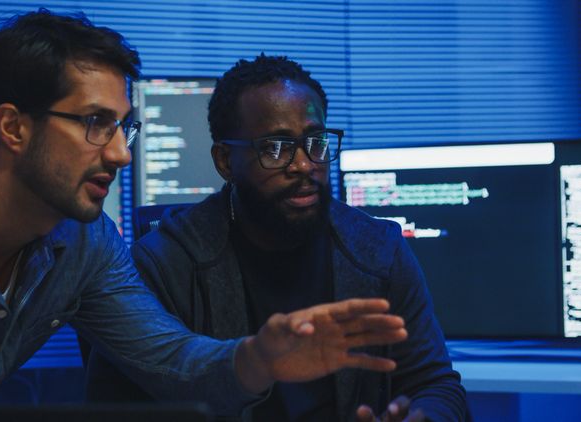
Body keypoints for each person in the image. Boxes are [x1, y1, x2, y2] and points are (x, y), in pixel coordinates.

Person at [0, 11, 410, 414]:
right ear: (13, 127)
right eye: (95, 123)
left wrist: (258, 359)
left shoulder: (84, 243)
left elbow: (171, 361)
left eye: (123, 127)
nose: (121, 154)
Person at [85, 54, 467, 421]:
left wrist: (421, 418)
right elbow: (120, 408)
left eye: (316, 142)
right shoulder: (165, 263)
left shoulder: (378, 249)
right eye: (275, 148)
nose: (304, 164)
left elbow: (435, 384)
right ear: (224, 161)